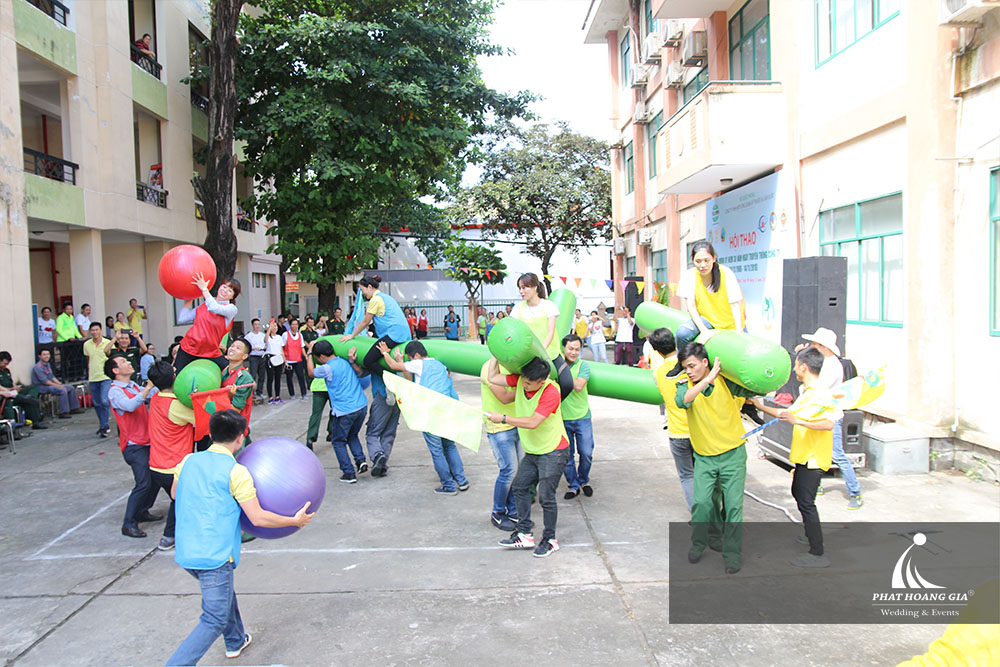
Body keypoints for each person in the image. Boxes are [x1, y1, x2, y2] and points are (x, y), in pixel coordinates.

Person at [167, 409, 314, 666]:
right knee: (213, 618)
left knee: (223, 593)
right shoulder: (236, 472)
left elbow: (175, 494)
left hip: (187, 551)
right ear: (240, 438)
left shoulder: (187, 461)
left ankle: (235, 640)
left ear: (211, 434)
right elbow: (257, 518)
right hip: (214, 555)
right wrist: (294, 520)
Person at [751, 347, 840, 569]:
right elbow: (788, 415)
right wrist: (759, 406)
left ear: (804, 366)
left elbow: (829, 423)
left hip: (814, 459)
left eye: (796, 365)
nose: (794, 369)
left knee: (806, 502)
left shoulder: (820, 392)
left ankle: (818, 553)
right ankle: (810, 535)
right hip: (803, 456)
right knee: (798, 494)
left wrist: (799, 422)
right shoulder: (807, 391)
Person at [675, 342, 759, 575]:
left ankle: (732, 554)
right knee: (703, 502)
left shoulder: (727, 383)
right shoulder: (685, 386)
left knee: (733, 507)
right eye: (685, 367)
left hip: (732, 455)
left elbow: (754, 389)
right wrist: (706, 379)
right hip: (704, 458)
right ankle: (701, 542)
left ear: (705, 362)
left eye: (692, 366)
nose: (689, 371)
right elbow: (684, 401)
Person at [485, 356, 570, 558]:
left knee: (547, 497)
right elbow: (492, 377)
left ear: (543, 380)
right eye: (524, 380)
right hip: (534, 451)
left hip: (553, 451)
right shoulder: (523, 379)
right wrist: (496, 355)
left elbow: (533, 422)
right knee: (519, 486)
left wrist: (503, 418)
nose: (524, 385)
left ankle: (550, 540)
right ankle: (524, 534)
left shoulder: (551, 391)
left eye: (529, 383)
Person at [377, 340, 468, 494]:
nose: (411, 361)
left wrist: (385, 352)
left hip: (430, 414)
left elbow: (392, 366)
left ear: (417, 355)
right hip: (446, 411)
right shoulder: (441, 365)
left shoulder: (419, 364)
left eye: (410, 358)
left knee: (437, 451)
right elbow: (412, 380)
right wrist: (402, 361)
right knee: (449, 446)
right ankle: (461, 480)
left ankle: (449, 486)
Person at [795, 327, 863, 510]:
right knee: (813, 452)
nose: (813, 347)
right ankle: (816, 486)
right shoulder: (824, 362)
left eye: (815, 344)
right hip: (817, 414)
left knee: (837, 455)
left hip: (829, 416)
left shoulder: (832, 366)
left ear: (823, 346)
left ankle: (855, 492)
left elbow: (815, 387)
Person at [107, 355, 159, 538]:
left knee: (155, 479)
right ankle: (129, 523)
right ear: (115, 370)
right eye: (123, 362)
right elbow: (129, 406)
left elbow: (152, 394)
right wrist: (147, 389)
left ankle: (142, 510)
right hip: (133, 445)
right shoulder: (115, 391)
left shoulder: (133, 386)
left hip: (146, 441)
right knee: (143, 483)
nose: (129, 363)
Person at [146, 360, 196, 551]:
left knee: (183, 501)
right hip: (173, 467)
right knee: (181, 502)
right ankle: (168, 537)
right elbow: (204, 419)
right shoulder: (176, 405)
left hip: (156, 465)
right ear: (174, 378)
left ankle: (181, 532)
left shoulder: (156, 399)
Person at [307, 340, 369, 483]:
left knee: (338, 441)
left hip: (344, 411)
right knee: (352, 435)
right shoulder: (345, 361)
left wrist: (309, 353)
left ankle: (349, 473)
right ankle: (360, 460)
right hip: (360, 406)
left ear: (321, 356)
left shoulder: (327, 368)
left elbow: (311, 372)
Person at [673, 240, 745, 356]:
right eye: (698, 261)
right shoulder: (689, 276)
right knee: (682, 334)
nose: (702, 265)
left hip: (729, 322)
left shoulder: (726, 273)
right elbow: (691, 306)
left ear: (714, 258)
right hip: (707, 320)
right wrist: (704, 331)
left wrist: (739, 331)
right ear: (692, 261)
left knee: (743, 351)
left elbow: (735, 304)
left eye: (707, 260)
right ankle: (682, 363)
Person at [649, 328, 694, 510]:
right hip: (699, 431)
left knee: (687, 476)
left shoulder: (658, 374)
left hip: (677, 433)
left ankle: (699, 516)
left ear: (657, 351)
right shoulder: (691, 366)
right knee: (705, 475)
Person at [339, 275, 411, 376]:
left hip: (393, 334)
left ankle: (390, 378)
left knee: (368, 361)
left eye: (362, 290)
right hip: (402, 333)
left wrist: (352, 335)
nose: (362, 293)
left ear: (369, 287)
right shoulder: (386, 297)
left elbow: (365, 322)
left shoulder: (375, 300)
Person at [480, 358, 520, 531]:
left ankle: (514, 512)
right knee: (509, 471)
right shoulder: (489, 367)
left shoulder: (516, 364)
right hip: (499, 427)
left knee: (518, 473)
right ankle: (497, 512)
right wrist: (529, 388)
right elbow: (503, 397)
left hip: (518, 423)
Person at [176, 274, 241, 373]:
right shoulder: (205, 304)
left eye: (230, 290)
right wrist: (188, 300)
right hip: (188, 348)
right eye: (224, 286)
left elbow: (215, 308)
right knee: (175, 377)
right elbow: (182, 318)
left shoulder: (231, 309)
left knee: (230, 373)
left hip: (210, 353)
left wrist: (204, 289)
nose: (225, 290)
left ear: (233, 296)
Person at [559, 334, 595, 499]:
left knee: (586, 452)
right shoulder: (556, 366)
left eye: (577, 349)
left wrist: (561, 374)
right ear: (563, 348)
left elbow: (579, 385)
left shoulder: (583, 366)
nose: (573, 352)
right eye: (570, 349)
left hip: (582, 416)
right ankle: (573, 485)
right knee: (567, 456)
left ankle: (583, 480)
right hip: (562, 417)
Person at [509, 273, 560, 359]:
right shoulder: (517, 308)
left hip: (550, 354)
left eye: (524, 287)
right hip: (528, 355)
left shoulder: (549, 305)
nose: (521, 291)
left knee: (565, 373)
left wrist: (541, 351)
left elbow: (550, 332)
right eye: (520, 288)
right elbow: (513, 331)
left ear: (535, 287)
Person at [361, 372, 399, 478]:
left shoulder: (377, 358)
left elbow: (361, 372)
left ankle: (378, 455)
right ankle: (382, 465)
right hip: (397, 396)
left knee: (372, 433)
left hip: (382, 396)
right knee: (389, 433)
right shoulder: (394, 357)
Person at [0, 351, 47, 429]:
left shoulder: (6, 371)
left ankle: (29, 397)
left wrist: (15, 387)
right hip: (7, 395)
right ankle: (34, 419)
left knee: (33, 388)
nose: (6, 365)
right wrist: (10, 390)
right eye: (4, 363)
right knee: (25, 401)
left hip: (14, 392)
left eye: (7, 363)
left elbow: (11, 382)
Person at [83, 322, 114, 438]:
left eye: (97, 330)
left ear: (101, 330)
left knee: (104, 400)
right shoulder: (87, 344)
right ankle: (102, 425)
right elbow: (88, 358)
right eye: (92, 330)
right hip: (93, 376)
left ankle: (105, 425)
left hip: (105, 376)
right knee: (96, 403)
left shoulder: (107, 343)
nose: (95, 332)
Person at [220, 339, 255, 443]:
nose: (232, 349)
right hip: (222, 426)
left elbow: (235, 410)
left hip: (235, 431)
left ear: (244, 356)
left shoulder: (244, 377)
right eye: (232, 346)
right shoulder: (225, 371)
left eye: (238, 348)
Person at [32, 349, 83, 419]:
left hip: (50, 384)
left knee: (70, 387)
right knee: (62, 390)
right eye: (44, 354)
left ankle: (74, 408)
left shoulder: (48, 364)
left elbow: (52, 377)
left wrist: (60, 383)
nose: (46, 356)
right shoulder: (38, 367)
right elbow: (45, 382)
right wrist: (59, 386)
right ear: (40, 356)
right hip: (42, 387)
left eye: (48, 354)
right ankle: (63, 412)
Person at [281, 319, 308, 399]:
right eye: (293, 324)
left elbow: (302, 347)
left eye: (296, 324)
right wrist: (284, 360)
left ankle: (304, 393)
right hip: (289, 360)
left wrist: (306, 356)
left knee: (301, 377)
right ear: (290, 325)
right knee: (289, 378)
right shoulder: (286, 334)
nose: (294, 326)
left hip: (298, 359)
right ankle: (291, 394)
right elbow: (282, 348)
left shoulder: (300, 335)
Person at [244, 318, 267, 401]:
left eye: (258, 324)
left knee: (262, 376)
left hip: (262, 356)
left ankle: (259, 392)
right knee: (253, 375)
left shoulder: (262, 335)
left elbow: (266, 344)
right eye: (255, 324)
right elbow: (246, 347)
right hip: (253, 357)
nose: (257, 326)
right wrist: (253, 349)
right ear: (252, 325)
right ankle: (251, 393)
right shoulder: (248, 336)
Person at [264, 320, 284, 405]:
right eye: (273, 326)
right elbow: (265, 340)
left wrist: (284, 360)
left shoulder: (279, 337)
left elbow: (281, 349)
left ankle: (277, 396)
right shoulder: (268, 337)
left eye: (276, 326)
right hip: (270, 357)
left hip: (278, 357)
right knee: (270, 378)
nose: (274, 328)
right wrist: (269, 329)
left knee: (278, 378)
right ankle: (270, 397)